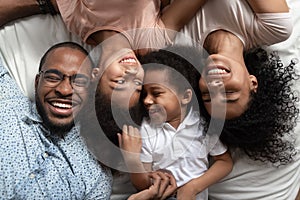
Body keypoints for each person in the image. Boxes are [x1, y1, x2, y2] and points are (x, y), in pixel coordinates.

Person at [0, 42, 112, 199]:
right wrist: (58, 15)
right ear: (37, 82)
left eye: (79, 82)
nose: (65, 90)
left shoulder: (96, 177)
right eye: (53, 77)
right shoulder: (6, 100)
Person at [118, 46, 233, 200]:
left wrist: (193, 187)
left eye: (157, 93)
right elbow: (142, 185)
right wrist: (132, 161)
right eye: (144, 94)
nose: (146, 100)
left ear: (185, 97)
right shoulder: (147, 129)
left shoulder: (202, 125)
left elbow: (224, 162)